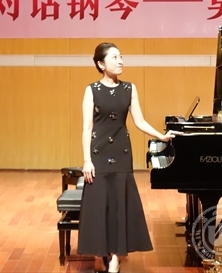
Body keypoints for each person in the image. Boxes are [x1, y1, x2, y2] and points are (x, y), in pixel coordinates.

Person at [77, 42, 181, 273]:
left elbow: (139, 121)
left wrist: (161, 136)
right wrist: (87, 159)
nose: (120, 61)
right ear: (101, 64)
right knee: (100, 203)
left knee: (119, 204)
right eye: (114, 58)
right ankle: (101, 252)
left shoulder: (129, 88)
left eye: (121, 56)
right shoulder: (91, 90)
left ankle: (116, 256)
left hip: (122, 152)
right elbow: (87, 128)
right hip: (98, 153)